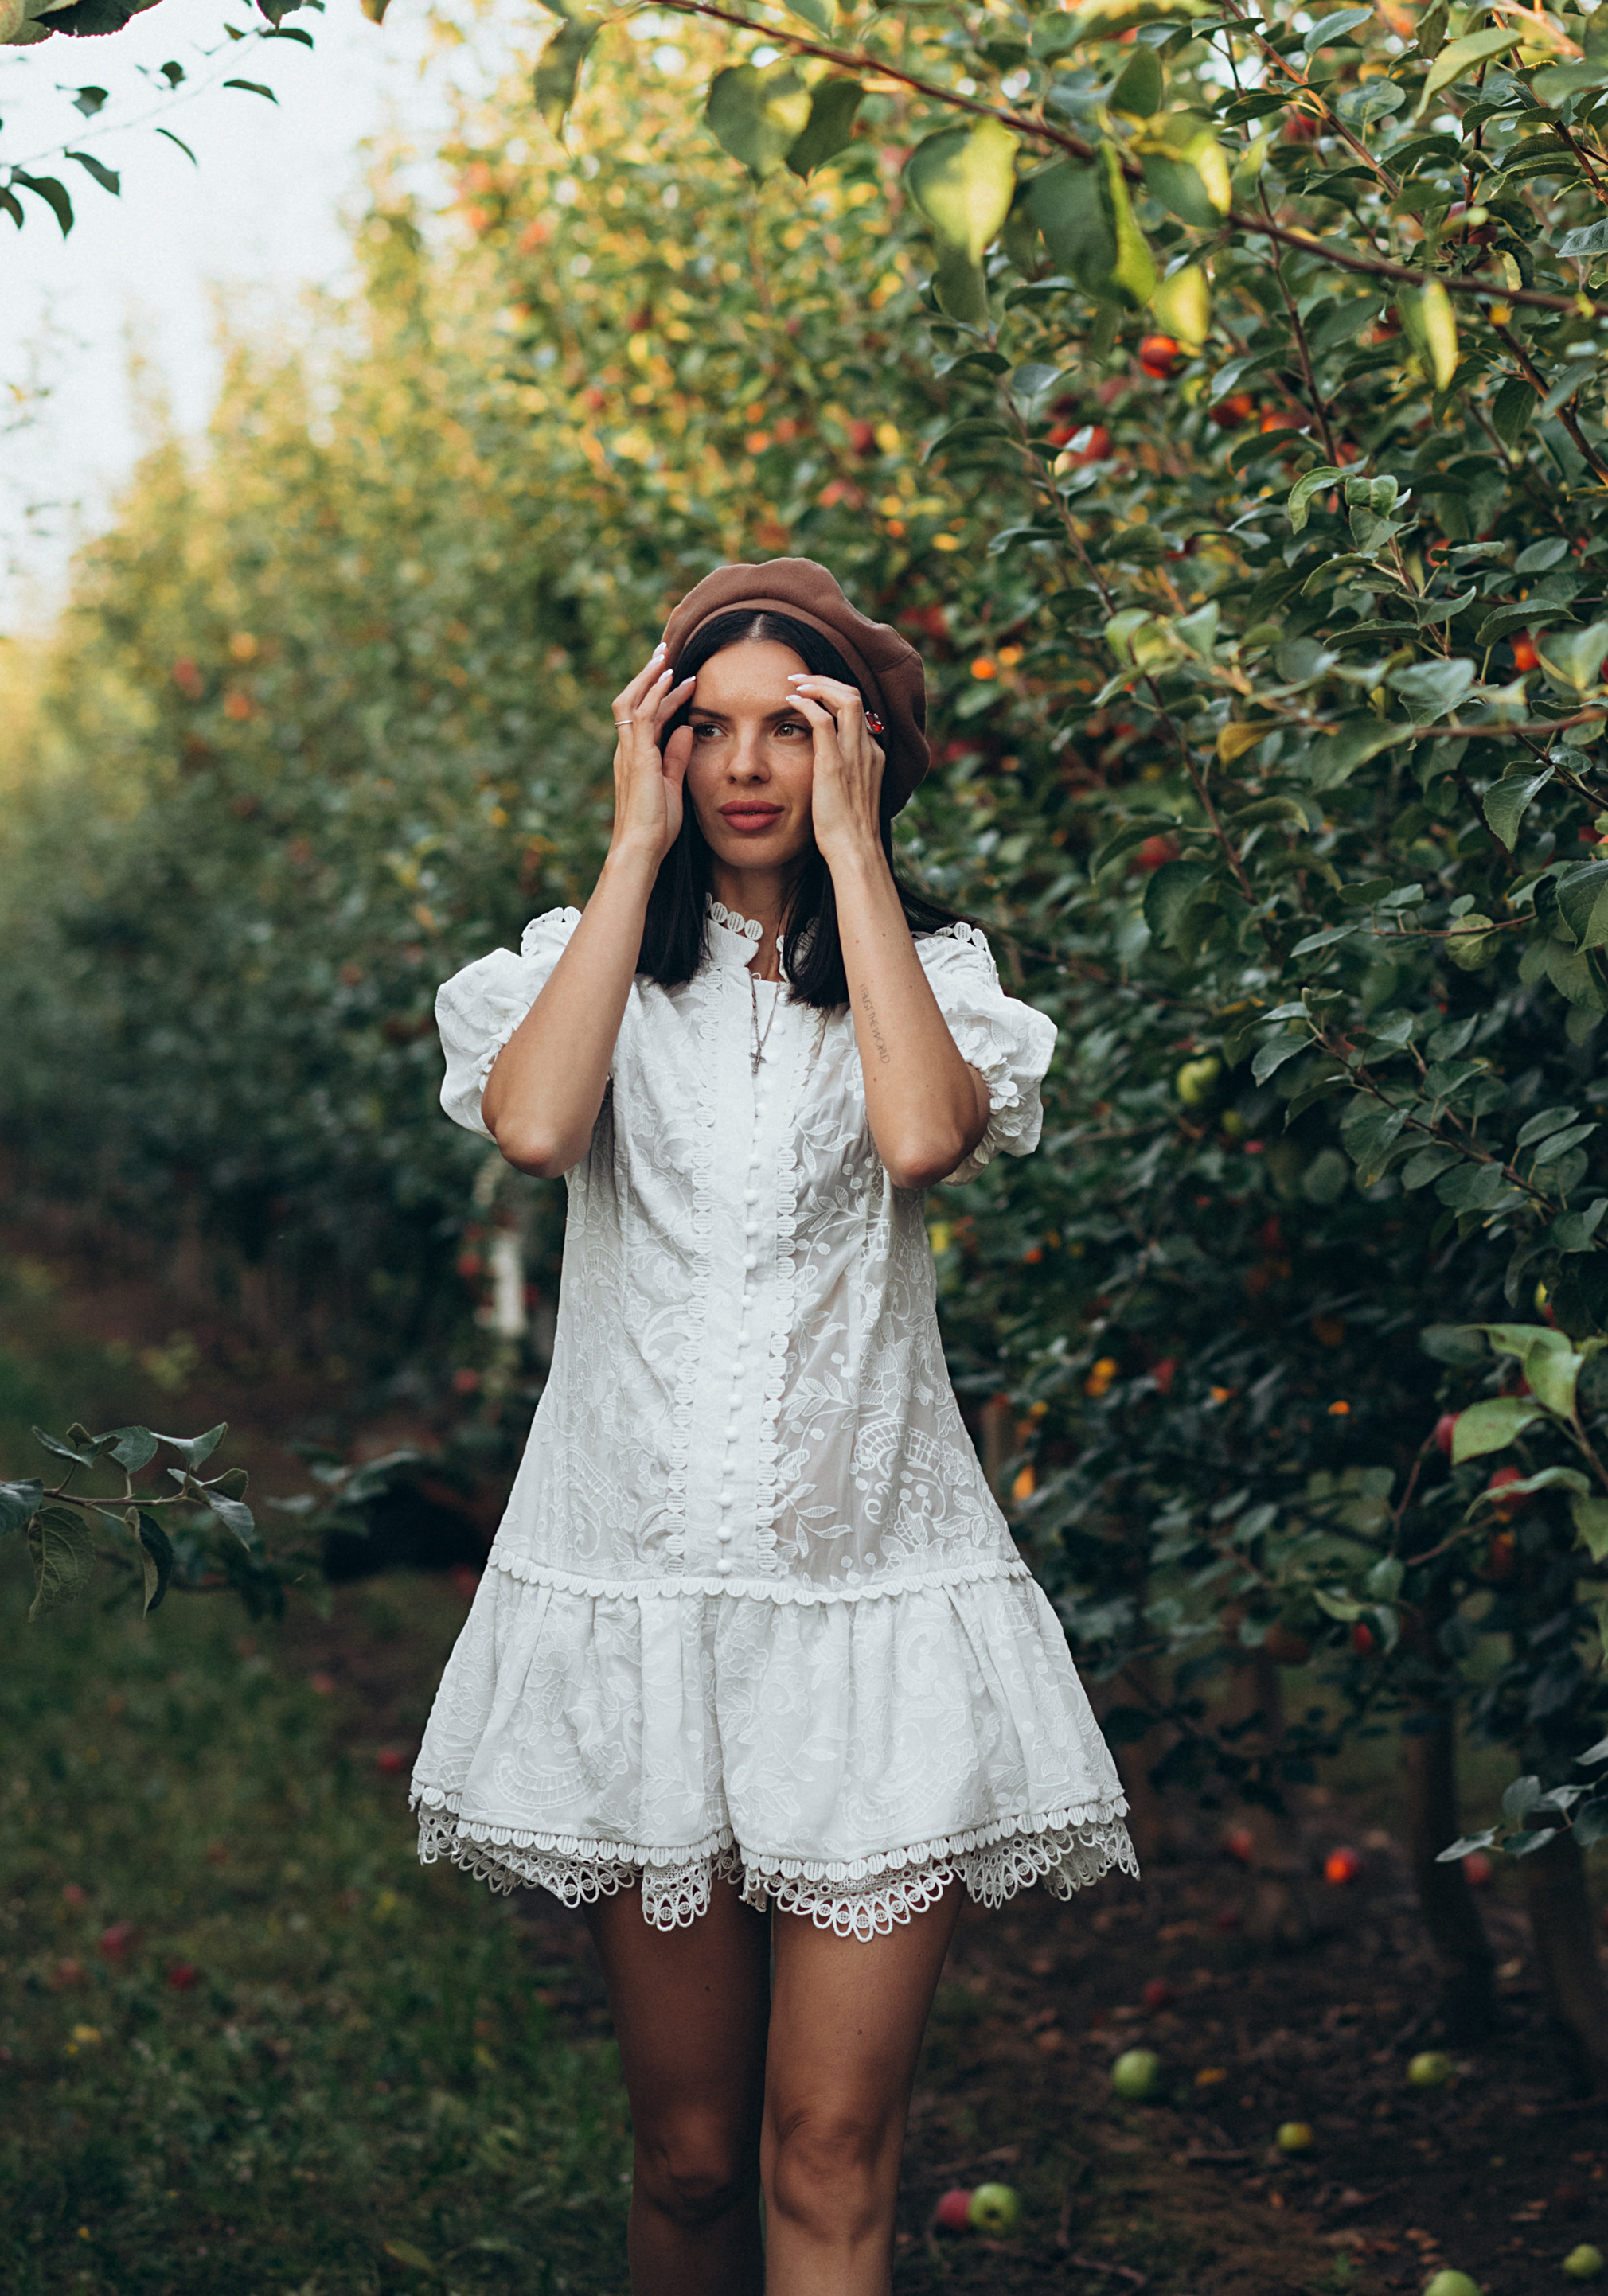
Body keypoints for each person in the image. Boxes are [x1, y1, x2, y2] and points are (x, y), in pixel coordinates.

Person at [412, 558, 1134, 2295]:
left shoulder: (930, 971)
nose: (744, 766)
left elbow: (917, 1138)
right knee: (684, 2163)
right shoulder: (569, 969)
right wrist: (629, 851)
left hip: (868, 1610)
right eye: (704, 727)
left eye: (791, 731)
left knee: (825, 2150)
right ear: (653, 749)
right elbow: (530, 1127)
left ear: (858, 753)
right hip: (641, 1607)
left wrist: (858, 868)